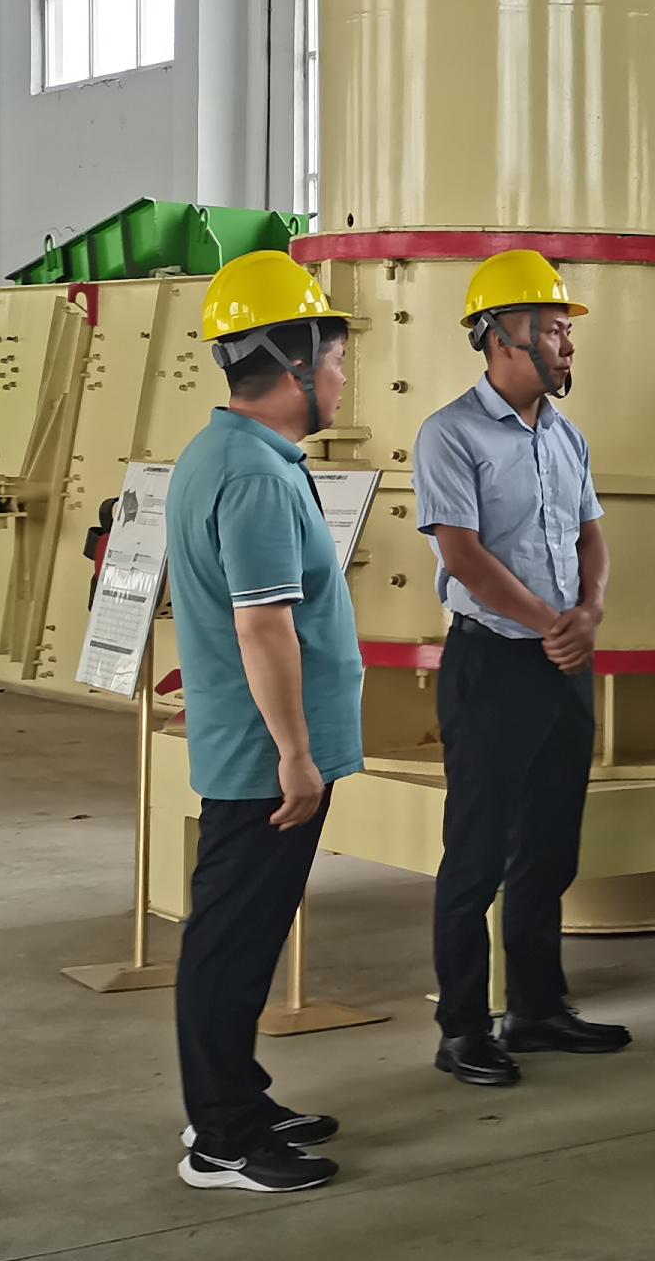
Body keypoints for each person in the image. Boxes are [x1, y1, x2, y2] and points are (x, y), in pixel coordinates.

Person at [164, 250, 367, 1195]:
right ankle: (222, 1140)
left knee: (241, 938)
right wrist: (295, 752)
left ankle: (236, 1098)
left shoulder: (229, 457)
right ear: (293, 364)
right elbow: (262, 624)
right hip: (262, 757)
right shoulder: (254, 476)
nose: (342, 378)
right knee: (233, 946)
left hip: (256, 749)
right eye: (336, 359)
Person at [413, 248, 628, 1089]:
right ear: (502, 336)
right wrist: (551, 626)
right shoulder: (450, 435)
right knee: (476, 855)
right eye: (555, 330)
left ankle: (536, 1008)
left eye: (569, 333)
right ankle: (463, 1026)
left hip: (562, 665)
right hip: (493, 665)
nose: (569, 346)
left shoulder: (566, 436)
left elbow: (590, 535)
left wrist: (590, 613)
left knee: (549, 846)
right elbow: (462, 554)